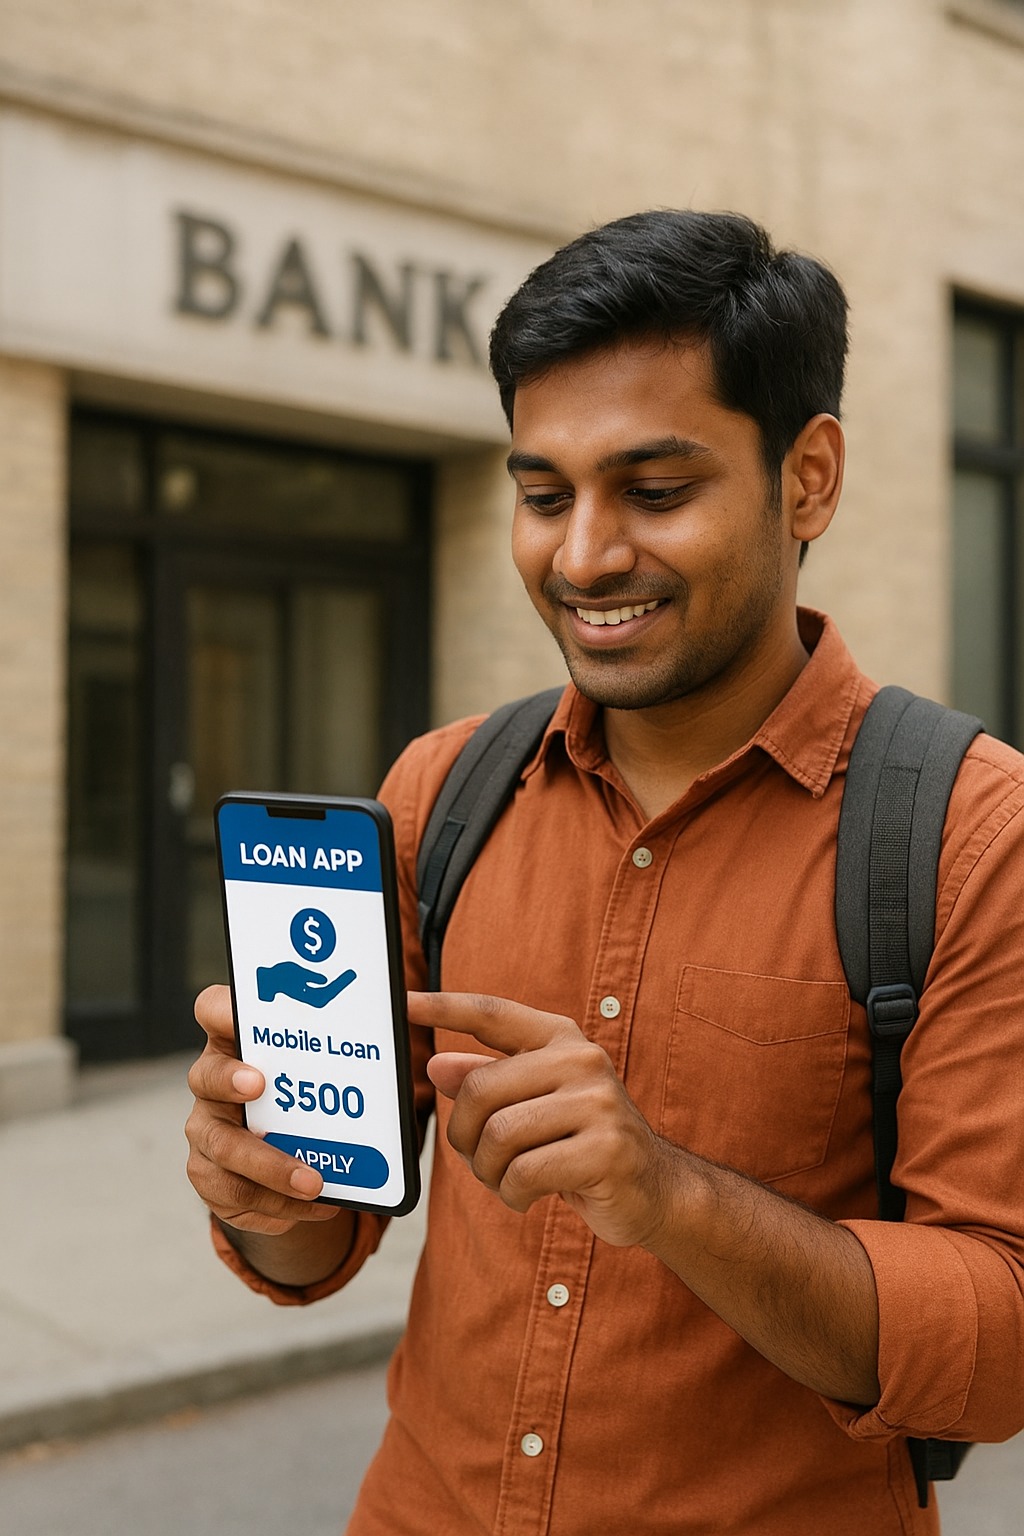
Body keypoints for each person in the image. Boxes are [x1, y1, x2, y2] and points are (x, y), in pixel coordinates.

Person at [186, 210, 1024, 1535]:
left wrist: (667, 1193)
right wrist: (258, 1190)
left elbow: (996, 1346)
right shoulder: (442, 792)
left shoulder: (972, 835)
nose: (582, 556)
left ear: (808, 479)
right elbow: (320, 1237)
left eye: (655, 489)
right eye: (542, 495)